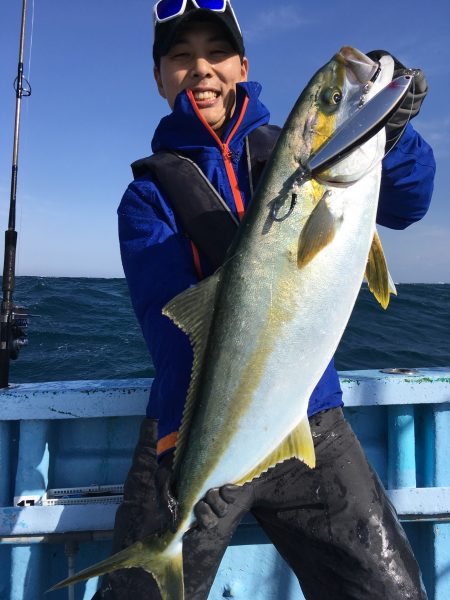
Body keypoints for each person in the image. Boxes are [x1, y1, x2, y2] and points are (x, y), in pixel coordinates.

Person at [94, 1, 436, 598]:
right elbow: (172, 321)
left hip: (311, 417)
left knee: (388, 589)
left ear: (244, 65)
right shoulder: (147, 196)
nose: (200, 69)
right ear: (159, 79)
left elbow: (408, 204)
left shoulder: (297, 151)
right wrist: (196, 449)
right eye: (180, 57)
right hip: (194, 428)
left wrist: (391, 132)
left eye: (216, 54)